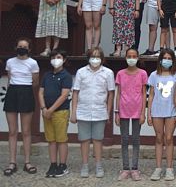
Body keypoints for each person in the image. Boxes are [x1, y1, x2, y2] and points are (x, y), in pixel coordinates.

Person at [70, 47, 115, 178]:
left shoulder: (108, 73)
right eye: (93, 56)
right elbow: (76, 92)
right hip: (83, 110)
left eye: (98, 57)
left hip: (100, 111)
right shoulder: (81, 72)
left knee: (98, 139)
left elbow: (111, 93)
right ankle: (84, 165)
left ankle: (98, 165)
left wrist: (108, 111)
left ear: (102, 58)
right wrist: (74, 112)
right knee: (84, 140)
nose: (95, 59)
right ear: (88, 58)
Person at [3, 38, 40, 176]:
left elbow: (35, 82)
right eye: (20, 46)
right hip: (12, 92)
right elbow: (9, 78)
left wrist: (25, 90)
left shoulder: (33, 63)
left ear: (29, 49)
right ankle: (12, 162)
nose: (22, 48)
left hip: (26, 91)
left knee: (26, 131)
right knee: (12, 131)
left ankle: (27, 162)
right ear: (16, 47)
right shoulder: (10, 62)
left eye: (25, 46)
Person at [114, 48, 148, 181]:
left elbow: (144, 93)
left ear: (138, 58)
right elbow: (118, 93)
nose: (131, 58)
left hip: (137, 110)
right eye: (129, 56)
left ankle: (134, 168)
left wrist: (143, 113)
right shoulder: (121, 74)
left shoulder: (143, 73)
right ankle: (125, 167)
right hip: (123, 110)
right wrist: (116, 112)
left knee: (135, 139)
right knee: (124, 139)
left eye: (134, 56)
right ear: (125, 57)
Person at [147, 49, 176, 181]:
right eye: (164, 57)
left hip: (171, 111)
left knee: (169, 138)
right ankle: (158, 168)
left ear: (172, 60)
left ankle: (169, 168)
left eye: (169, 58)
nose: (166, 60)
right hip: (157, 111)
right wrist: (149, 113)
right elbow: (151, 95)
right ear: (160, 60)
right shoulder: (154, 75)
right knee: (159, 138)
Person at [38, 48, 72, 178]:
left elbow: (64, 95)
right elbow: (40, 92)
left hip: (60, 112)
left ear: (64, 60)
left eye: (58, 57)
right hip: (46, 112)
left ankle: (63, 165)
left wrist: (51, 109)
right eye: (53, 58)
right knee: (51, 140)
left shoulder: (66, 76)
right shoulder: (46, 75)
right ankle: (53, 164)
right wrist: (43, 108)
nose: (55, 60)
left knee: (61, 139)